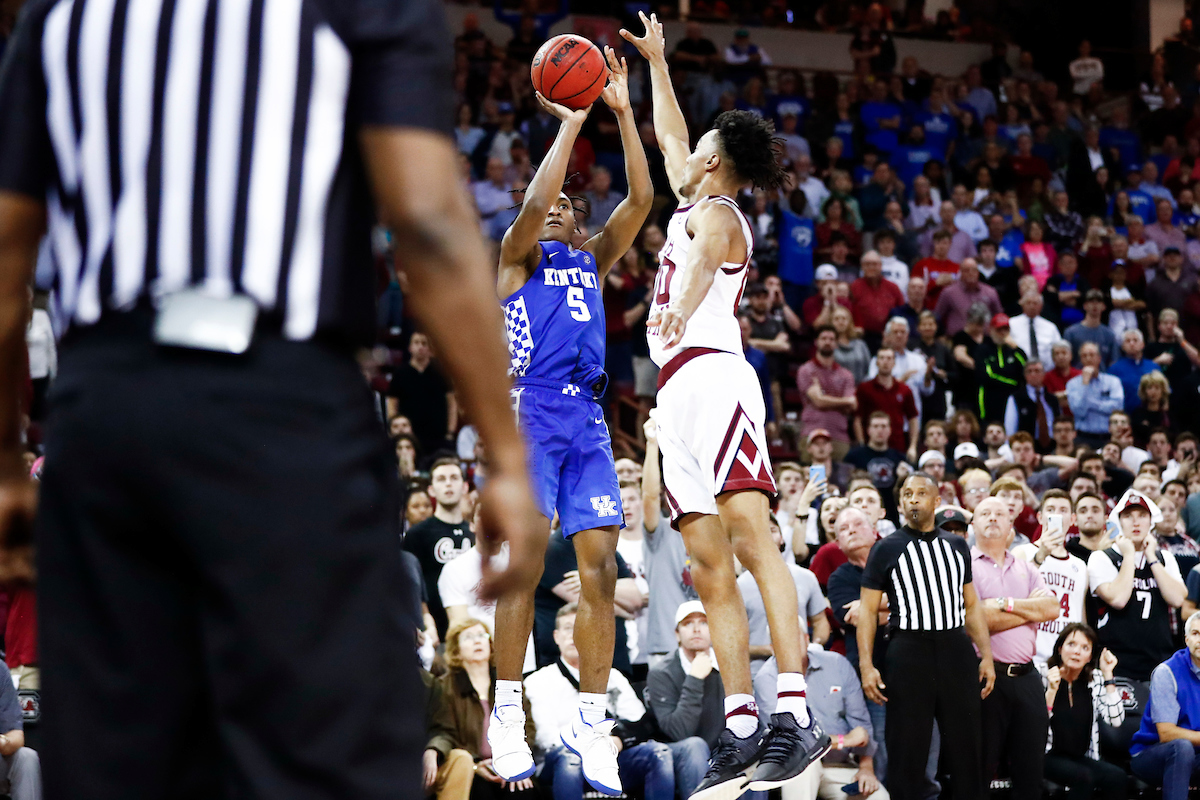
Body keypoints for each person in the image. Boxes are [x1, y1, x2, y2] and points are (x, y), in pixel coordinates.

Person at [0, 1, 548, 796]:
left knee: (125, 769)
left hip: (103, 415)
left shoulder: (63, 12)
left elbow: (9, 250)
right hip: (280, 406)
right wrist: (506, 454)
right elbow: (427, 225)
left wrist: (10, 461)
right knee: (328, 764)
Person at [623, 15, 830, 796]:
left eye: (699, 146)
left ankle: (794, 711)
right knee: (707, 568)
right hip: (676, 397)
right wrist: (657, 68)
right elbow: (669, 135)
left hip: (713, 377)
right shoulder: (695, 191)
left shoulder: (720, 216)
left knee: (753, 544)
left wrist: (679, 303)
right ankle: (741, 724)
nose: (689, 152)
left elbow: (706, 260)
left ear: (716, 160)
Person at [489, 47, 652, 793]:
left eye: (565, 206)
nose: (552, 208)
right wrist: (570, 123)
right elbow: (530, 204)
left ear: (578, 222)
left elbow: (643, 204)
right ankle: (507, 707)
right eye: (547, 202)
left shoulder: (588, 260)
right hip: (532, 407)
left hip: (586, 416)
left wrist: (621, 115)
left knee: (600, 569)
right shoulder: (516, 257)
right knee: (525, 563)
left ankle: (591, 720)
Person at [858, 473, 995, 800]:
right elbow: (866, 612)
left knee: (967, 747)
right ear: (901, 502)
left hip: (955, 649)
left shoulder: (958, 545)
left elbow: (971, 605)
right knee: (907, 749)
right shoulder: (885, 549)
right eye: (907, 494)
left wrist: (986, 655)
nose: (914, 499)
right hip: (908, 651)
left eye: (921, 493)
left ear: (936, 501)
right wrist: (866, 665)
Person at [525, 605, 678, 800]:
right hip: (563, 758)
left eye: (580, 628)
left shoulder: (613, 676)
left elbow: (639, 722)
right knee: (569, 759)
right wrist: (591, 746)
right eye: (567, 628)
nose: (574, 634)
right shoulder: (538, 681)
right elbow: (546, 738)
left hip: (612, 754)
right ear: (556, 636)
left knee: (659, 753)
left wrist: (617, 739)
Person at [971, 496, 1058, 800]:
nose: (993, 518)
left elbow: (1051, 608)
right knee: (979, 769)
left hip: (1028, 677)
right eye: (985, 513)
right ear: (973, 522)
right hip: (985, 676)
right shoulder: (964, 566)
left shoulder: (1026, 567)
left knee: (1030, 770)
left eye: (1001, 513)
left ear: (1011, 525)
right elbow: (977, 620)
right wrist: (1026, 611)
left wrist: (1004, 605)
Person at [755, 632, 887, 800]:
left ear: (807, 639)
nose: (791, 648)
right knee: (804, 762)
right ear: (773, 648)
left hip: (839, 765)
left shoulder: (837, 664)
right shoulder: (765, 679)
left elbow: (861, 727)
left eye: (796, 639)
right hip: (794, 768)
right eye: (783, 643)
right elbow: (793, 741)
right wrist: (842, 741)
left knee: (878, 797)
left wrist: (866, 768)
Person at [426, 619, 539, 800]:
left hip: (509, 761)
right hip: (472, 766)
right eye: (468, 638)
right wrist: (476, 765)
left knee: (522, 789)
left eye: (481, 636)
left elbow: (528, 727)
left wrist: (514, 762)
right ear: (456, 650)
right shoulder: (444, 686)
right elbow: (446, 732)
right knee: (480, 790)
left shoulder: (508, 683)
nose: (477, 641)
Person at [1089, 491, 1187, 682]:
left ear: (1151, 521)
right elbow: (1118, 599)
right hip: (1118, 663)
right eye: (1128, 516)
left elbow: (1177, 599)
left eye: (1142, 516)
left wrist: (1151, 557)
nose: (1136, 522)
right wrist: (1129, 555)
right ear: (1119, 521)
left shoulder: (1164, 558)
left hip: (1160, 662)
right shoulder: (1102, 557)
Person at [1038, 624, 1125, 800]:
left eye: (1084, 648)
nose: (1077, 651)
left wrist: (1108, 675)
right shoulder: (1042, 675)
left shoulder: (1095, 679)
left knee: (1117, 776)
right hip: (1045, 756)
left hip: (1079, 757)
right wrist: (1052, 691)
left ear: (1090, 656)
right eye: (1071, 644)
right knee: (1083, 777)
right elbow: (1036, 726)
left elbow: (1115, 720)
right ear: (1060, 648)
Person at [639, 420, 700, 665]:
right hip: (666, 650)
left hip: (712, 648)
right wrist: (653, 443)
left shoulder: (715, 533)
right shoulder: (661, 532)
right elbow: (649, 496)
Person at [739, 516, 830, 677]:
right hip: (757, 674)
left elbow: (820, 621)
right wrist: (767, 649)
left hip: (803, 671)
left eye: (772, 530)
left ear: (781, 538)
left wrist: (812, 646)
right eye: (760, 531)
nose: (767, 535)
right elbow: (733, 641)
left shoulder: (806, 577)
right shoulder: (739, 586)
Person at [1129, 611, 1200, 800]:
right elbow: (1167, 734)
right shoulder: (1167, 672)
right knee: (1182, 748)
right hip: (1153, 754)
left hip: (1195, 754)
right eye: (1195, 634)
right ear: (1186, 639)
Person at [405, 458, 474, 639]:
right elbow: (410, 585)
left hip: (474, 631)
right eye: (441, 479)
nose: (448, 483)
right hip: (435, 635)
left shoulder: (476, 533)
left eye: (454, 478)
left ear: (465, 487)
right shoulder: (417, 534)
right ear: (431, 490)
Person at [797, 326, 858, 461]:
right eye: (824, 338)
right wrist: (843, 401)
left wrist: (823, 398)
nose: (827, 342)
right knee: (809, 477)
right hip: (811, 433)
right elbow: (819, 401)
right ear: (816, 342)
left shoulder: (845, 374)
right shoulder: (806, 370)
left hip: (839, 435)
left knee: (841, 478)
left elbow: (852, 405)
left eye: (831, 339)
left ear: (836, 343)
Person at [855, 350, 920, 463]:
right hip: (871, 447)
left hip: (897, 446)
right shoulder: (865, 389)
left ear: (894, 363)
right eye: (882, 358)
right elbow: (858, 418)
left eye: (889, 358)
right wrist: (861, 444)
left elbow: (913, 419)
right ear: (876, 362)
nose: (885, 362)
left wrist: (913, 446)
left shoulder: (904, 390)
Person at [846, 414, 908, 523]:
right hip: (862, 512)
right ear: (868, 430)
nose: (880, 430)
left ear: (890, 430)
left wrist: (903, 477)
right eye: (875, 426)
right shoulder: (854, 456)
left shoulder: (900, 458)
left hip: (892, 514)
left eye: (883, 426)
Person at [1067, 343, 1125, 450]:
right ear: (1081, 360)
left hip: (1108, 437)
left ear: (1099, 358)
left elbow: (1117, 408)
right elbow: (1079, 411)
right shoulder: (1072, 384)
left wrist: (1091, 403)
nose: (1088, 358)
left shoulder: (1113, 381)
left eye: (1092, 355)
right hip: (1083, 437)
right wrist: (1085, 384)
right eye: (1084, 356)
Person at [976, 313, 1028, 424]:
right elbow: (986, 376)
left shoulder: (1013, 351)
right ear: (991, 330)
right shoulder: (983, 350)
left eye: (1005, 329)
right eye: (999, 330)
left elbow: (1026, 369)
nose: (1002, 333)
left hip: (1012, 399)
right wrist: (1013, 382)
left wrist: (1016, 348)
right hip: (990, 400)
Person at [1004, 360, 1059, 452]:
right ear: (1025, 375)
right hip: (1026, 447)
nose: (1033, 374)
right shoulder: (1016, 398)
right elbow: (1010, 428)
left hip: (1052, 446)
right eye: (1029, 371)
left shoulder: (1052, 399)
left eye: (1037, 371)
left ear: (1044, 374)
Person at [1109, 329, 1163, 414]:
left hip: (1150, 415)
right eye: (1128, 341)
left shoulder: (1153, 366)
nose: (1132, 343)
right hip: (1126, 416)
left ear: (1142, 344)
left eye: (1135, 340)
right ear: (1122, 346)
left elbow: (1163, 391)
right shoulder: (1114, 369)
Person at [1064, 291, 1119, 369]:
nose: (1095, 305)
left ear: (1104, 306)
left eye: (1098, 302)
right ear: (1085, 306)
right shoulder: (1071, 333)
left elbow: (1114, 361)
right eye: (1091, 301)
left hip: (1103, 377)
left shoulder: (1109, 334)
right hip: (1077, 377)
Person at [1009, 292, 1058, 371]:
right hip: (1018, 370)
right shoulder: (1011, 324)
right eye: (1028, 303)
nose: (1032, 306)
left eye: (1035, 303)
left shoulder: (1050, 327)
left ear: (1041, 306)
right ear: (1022, 304)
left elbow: (1057, 348)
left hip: (1046, 371)